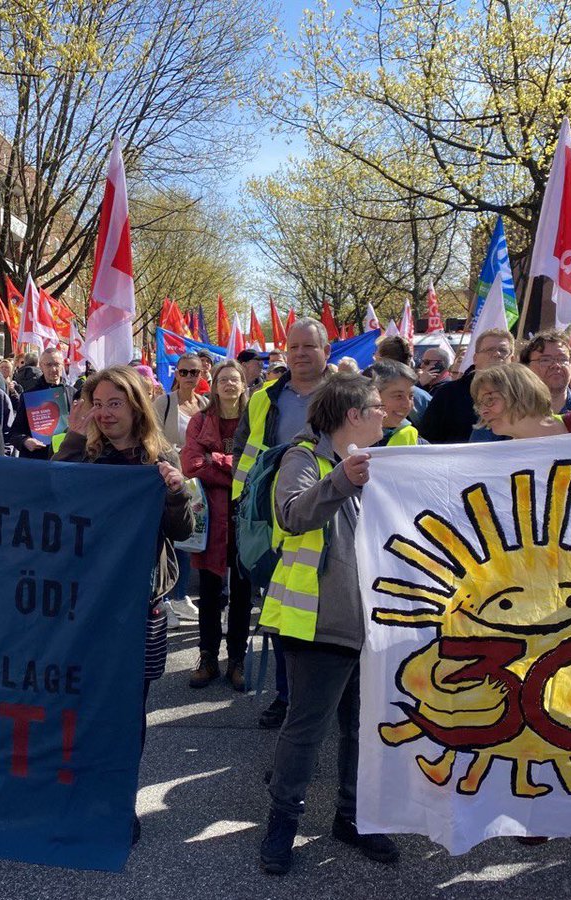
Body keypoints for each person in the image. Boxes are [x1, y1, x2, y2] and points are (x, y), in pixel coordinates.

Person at [258, 372, 397, 874]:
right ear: (353, 415)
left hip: (372, 624)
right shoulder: (303, 459)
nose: (386, 413)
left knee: (362, 729)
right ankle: (282, 823)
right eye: (377, 407)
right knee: (305, 731)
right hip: (315, 623)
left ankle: (353, 818)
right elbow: (293, 515)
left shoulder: (382, 463)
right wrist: (342, 480)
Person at [53, 365, 193, 844]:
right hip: (88, 603)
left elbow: (182, 532)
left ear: (135, 406)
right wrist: (71, 439)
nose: (105, 413)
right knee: (84, 706)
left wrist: (176, 495)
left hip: (139, 606)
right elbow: (53, 497)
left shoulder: (158, 458)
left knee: (127, 711)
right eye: (98, 403)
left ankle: (120, 801)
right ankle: (83, 796)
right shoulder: (87, 456)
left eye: (115, 403)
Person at [233, 318, 331, 730]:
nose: (300, 354)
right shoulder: (264, 397)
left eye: (309, 346)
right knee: (282, 608)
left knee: (326, 611)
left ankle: (324, 700)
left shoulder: (346, 393)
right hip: (277, 518)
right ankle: (285, 696)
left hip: (332, 512)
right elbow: (246, 451)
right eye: (293, 347)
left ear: (326, 350)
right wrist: (244, 509)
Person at [181, 360, 252, 690]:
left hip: (245, 516)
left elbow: (253, 466)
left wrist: (217, 461)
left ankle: (237, 658)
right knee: (210, 594)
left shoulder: (255, 421)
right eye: (223, 379)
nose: (229, 384)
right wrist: (231, 469)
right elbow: (192, 464)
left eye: (234, 379)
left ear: (242, 384)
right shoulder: (200, 420)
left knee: (242, 593)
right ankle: (207, 656)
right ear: (215, 384)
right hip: (210, 519)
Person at [418, 328, 513, 443]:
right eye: (490, 350)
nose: (497, 354)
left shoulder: (521, 395)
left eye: (503, 350)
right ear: (475, 358)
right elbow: (427, 439)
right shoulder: (449, 394)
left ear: (512, 359)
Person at [13, 348, 69, 459]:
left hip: (65, 459)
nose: (53, 369)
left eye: (57, 364)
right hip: (38, 460)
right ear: (41, 366)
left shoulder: (72, 394)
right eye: (48, 365)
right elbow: (15, 432)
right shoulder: (30, 396)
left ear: (62, 365)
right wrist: (25, 441)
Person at [365, 360, 421, 445]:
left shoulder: (417, 443)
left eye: (411, 396)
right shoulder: (342, 439)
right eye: (398, 396)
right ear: (370, 396)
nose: (408, 405)